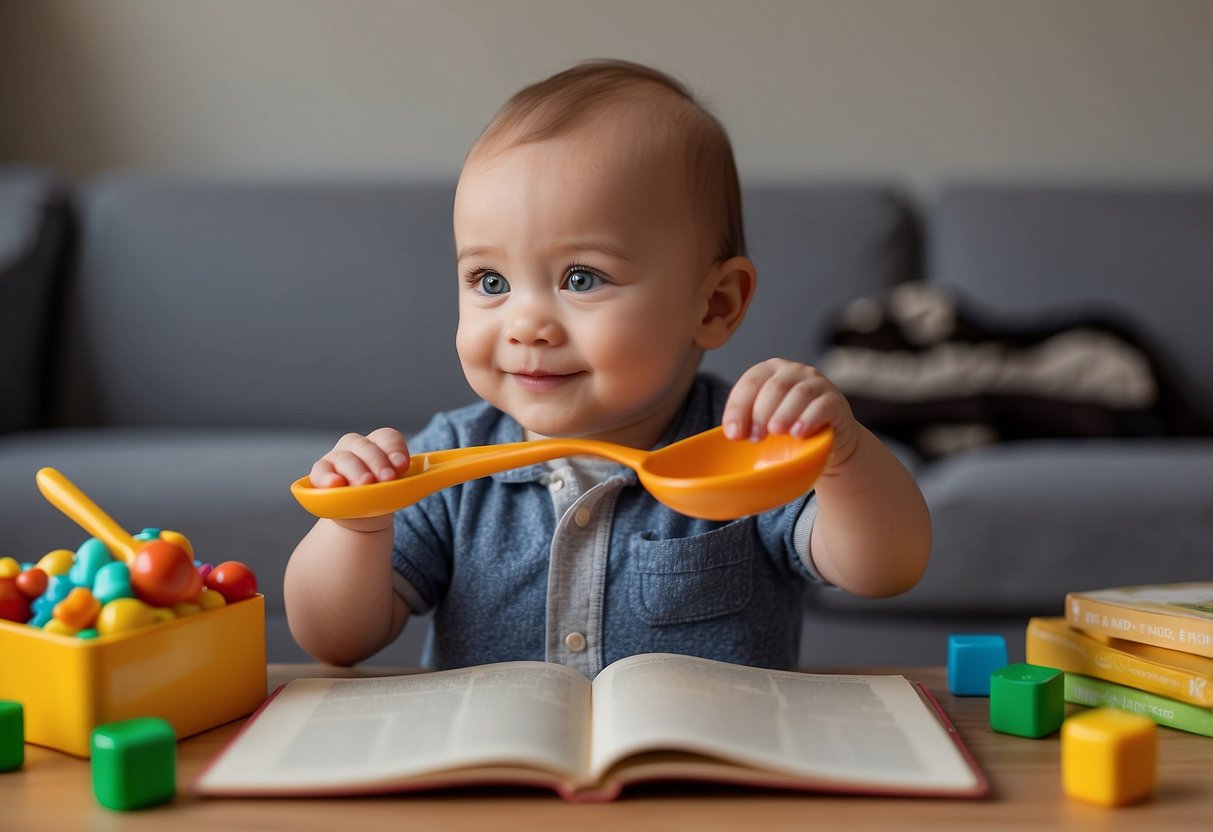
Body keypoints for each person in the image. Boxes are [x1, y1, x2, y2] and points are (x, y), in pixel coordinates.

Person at [284, 59, 930, 676]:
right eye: (489, 280)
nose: (525, 324)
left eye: (581, 278)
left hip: (710, 779)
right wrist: (355, 526)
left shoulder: (745, 450)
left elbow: (885, 568)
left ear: (713, 304)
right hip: (497, 782)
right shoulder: (448, 461)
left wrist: (844, 458)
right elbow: (335, 641)